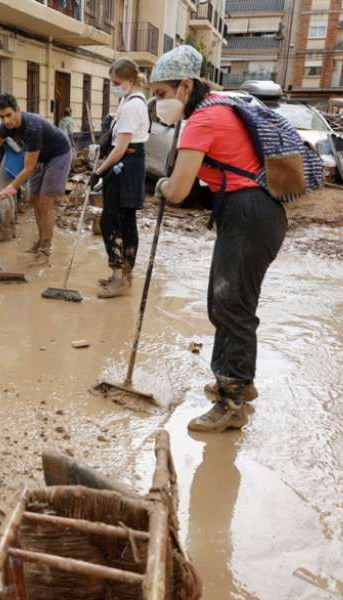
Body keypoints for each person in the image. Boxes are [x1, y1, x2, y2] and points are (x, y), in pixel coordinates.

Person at [153, 45, 286, 433]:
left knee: (231, 306)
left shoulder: (203, 120)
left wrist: (161, 185)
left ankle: (232, 402)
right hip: (256, 212)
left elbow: (178, 190)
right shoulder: (219, 106)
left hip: (248, 214)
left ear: (184, 86)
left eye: (161, 93)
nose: (158, 102)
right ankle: (238, 380)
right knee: (226, 301)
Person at [0, 93, 72, 259]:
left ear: (17, 110)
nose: (6, 120)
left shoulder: (32, 127)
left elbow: (28, 168)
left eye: (9, 115)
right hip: (40, 156)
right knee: (34, 200)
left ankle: (46, 246)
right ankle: (41, 240)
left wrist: (10, 189)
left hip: (59, 155)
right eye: (2, 117)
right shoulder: (6, 126)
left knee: (45, 201)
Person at [92, 58, 149, 298]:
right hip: (127, 162)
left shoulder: (132, 105)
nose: (114, 86)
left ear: (131, 80)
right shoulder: (129, 100)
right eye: (112, 82)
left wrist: (98, 171)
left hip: (126, 165)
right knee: (123, 220)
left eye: (116, 82)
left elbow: (121, 148)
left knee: (112, 222)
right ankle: (123, 275)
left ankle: (120, 278)